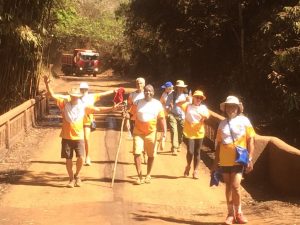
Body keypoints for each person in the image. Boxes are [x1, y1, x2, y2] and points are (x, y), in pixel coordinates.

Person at [44, 76, 120, 188]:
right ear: (70, 96)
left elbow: (98, 110)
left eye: (76, 96)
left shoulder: (83, 106)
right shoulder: (64, 104)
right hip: (66, 136)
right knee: (68, 159)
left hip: (79, 137)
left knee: (80, 158)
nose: (74, 97)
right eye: (72, 96)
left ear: (78, 96)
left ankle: (77, 175)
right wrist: (47, 84)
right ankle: (71, 179)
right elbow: (53, 96)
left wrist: (111, 109)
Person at [211, 96, 255, 224]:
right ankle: (230, 214)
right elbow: (218, 144)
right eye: (229, 106)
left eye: (234, 106)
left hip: (238, 160)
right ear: (225, 108)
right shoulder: (222, 124)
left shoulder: (245, 121)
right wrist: (215, 162)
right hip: (225, 160)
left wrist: (250, 158)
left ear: (238, 108)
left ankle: (239, 213)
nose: (231, 109)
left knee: (236, 186)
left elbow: (250, 139)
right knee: (228, 186)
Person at [129, 84, 167, 185]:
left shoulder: (157, 104)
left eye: (150, 91)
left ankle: (148, 175)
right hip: (138, 132)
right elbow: (131, 114)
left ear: (153, 93)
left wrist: (164, 133)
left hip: (151, 132)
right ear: (143, 92)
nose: (148, 93)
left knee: (151, 155)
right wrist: (125, 114)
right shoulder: (137, 103)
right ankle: (139, 176)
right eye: (146, 91)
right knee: (137, 153)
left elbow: (162, 119)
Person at [79, 82, 117, 166]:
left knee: (86, 138)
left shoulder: (91, 97)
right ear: (80, 89)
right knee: (78, 140)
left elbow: (102, 94)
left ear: (87, 89)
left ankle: (87, 157)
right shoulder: (76, 97)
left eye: (85, 89)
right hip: (77, 121)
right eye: (82, 89)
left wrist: (113, 91)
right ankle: (80, 157)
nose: (83, 90)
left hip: (87, 121)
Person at [181, 90, 209, 179]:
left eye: (200, 98)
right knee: (190, 151)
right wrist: (186, 100)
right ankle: (188, 166)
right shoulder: (188, 106)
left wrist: (204, 117)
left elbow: (207, 115)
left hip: (199, 132)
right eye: (197, 97)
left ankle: (195, 171)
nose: (198, 99)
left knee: (197, 152)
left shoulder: (203, 107)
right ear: (193, 97)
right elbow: (177, 104)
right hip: (189, 132)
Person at [165, 80, 189, 155]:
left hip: (182, 116)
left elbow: (189, 107)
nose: (181, 89)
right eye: (179, 87)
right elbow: (166, 105)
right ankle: (174, 147)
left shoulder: (186, 96)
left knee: (181, 132)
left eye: (182, 87)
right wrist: (168, 108)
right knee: (173, 131)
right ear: (176, 87)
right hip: (173, 115)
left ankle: (179, 144)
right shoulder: (172, 95)